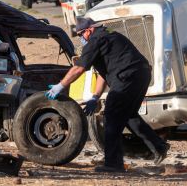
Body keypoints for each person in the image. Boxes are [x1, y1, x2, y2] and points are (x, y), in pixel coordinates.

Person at [45, 17, 169, 173]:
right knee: (128, 116)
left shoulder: (96, 40)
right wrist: (95, 96)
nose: (81, 39)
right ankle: (158, 146)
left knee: (111, 116)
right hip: (141, 74)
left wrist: (60, 85)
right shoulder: (109, 36)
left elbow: (79, 68)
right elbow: (104, 73)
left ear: (88, 30)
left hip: (127, 76)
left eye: (80, 35)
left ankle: (113, 163)